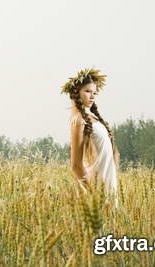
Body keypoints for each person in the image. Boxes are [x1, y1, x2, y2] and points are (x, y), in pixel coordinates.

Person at [61, 68, 120, 207]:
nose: (92, 96)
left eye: (94, 93)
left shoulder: (92, 118)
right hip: (95, 188)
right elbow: (76, 165)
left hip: (108, 183)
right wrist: (94, 195)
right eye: (88, 91)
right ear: (76, 93)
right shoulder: (78, 120)